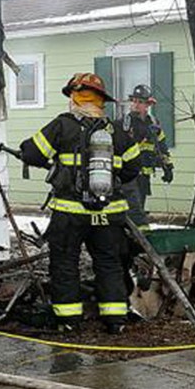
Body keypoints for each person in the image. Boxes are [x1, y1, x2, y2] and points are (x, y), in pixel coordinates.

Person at [19, 73, 142, 334]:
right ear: (101, 101)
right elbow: (133, 168)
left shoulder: (62, 126)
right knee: (110, 264)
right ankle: (115, 320)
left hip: (70, 213)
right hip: (110, 213)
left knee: (65, 264)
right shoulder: (116, 131)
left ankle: (68, 320)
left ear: (74, 97)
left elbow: (31, 152)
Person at [113, 84, 173, 231]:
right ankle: (139, 240)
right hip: (129, 175)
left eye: (140, 102)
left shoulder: (153, 123)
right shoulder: (123, 123)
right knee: (135, 210)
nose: (136, 105)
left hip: (144, 175)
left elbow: (161, 146)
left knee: (139, 206)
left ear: (148, 104)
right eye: (134, 101)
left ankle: (133, 239)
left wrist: (168, 167)